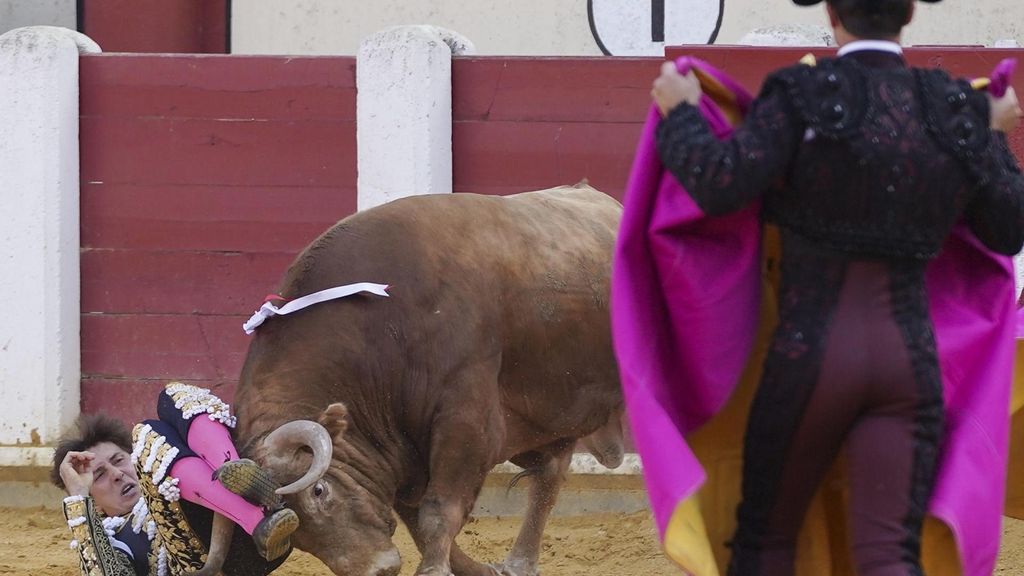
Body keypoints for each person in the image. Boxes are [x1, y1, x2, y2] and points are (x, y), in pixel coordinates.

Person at [648, 0, 1024, 574]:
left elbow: (719, 183)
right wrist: (995, 137)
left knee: (766, 545)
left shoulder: (803, 95)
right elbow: (1008, 228)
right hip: (909, 366)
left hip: (810, 357)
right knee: (888, 556)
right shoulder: (955, 111)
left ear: (831, 12)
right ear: (911, 13)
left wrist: (681, 114)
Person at [52, 382, 299, 575]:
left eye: (118, 460)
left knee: (173, 396)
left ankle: (232, 470)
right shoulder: (113, 540)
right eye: (100, 475)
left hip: (266, 533)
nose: (117, 475)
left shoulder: (171, 477)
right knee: (147, 434)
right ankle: (254, 517)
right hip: (216, 564)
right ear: (94, 503)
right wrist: (78, 498)